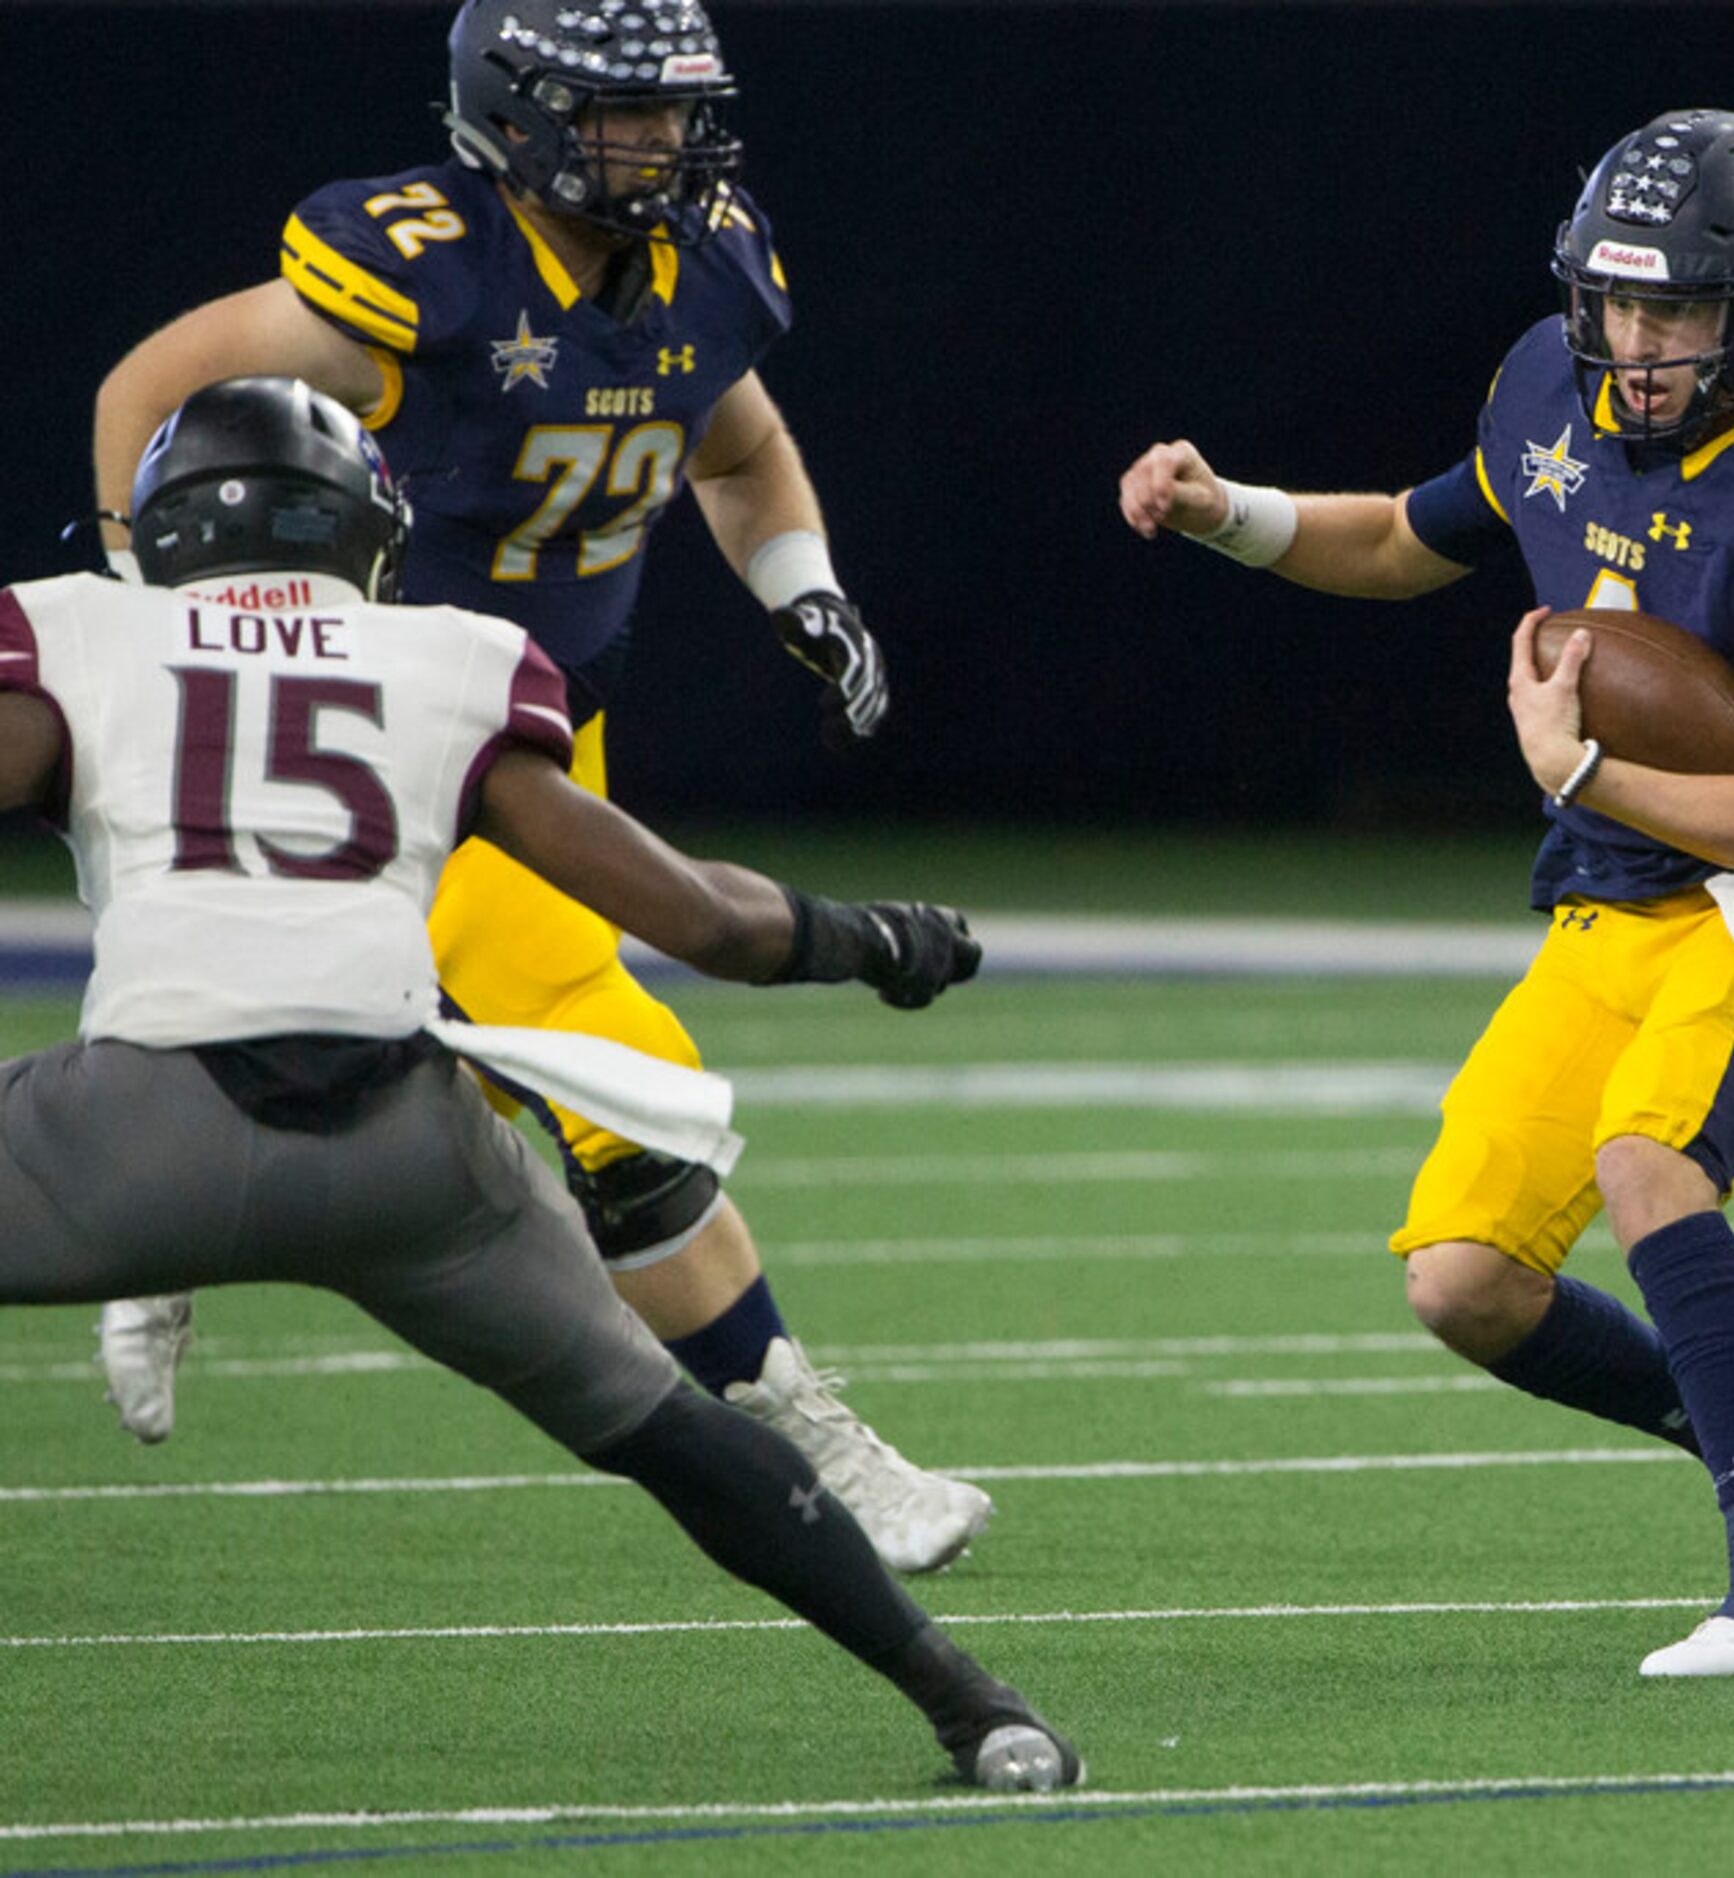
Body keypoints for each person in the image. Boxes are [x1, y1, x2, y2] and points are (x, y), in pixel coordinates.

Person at [3, 375, 1075, 1790]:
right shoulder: (443, 654)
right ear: (365, 530)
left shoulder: (77, 628)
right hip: (409, 1142)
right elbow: (703, 918)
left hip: (138, 1136)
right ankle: (979, 1710)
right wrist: (879, 938)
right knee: (675, 1432)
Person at [86, 0, 987, 1576]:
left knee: (407, 1050)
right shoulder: (427, 265)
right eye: (624, 113)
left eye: (673, 112)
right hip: (377, 728)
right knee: (601, 1065)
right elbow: (155, 384)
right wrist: (149, 592)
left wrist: (804, 589)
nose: (663, 143)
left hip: (540, 734)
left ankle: (160, 1220)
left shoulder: (701, 260)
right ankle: (821, 1443)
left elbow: (738, 445)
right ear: (520, 111)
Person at [1119, 110, 1734, 1677]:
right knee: (1467, 1281)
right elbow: (1410, 542)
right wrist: (1233, 514)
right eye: (1620, 302)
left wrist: (1581, 776)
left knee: (1646, 1165)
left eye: (1680, 309)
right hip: (1606, 893)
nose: (1637, 340)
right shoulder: (1545, 381)